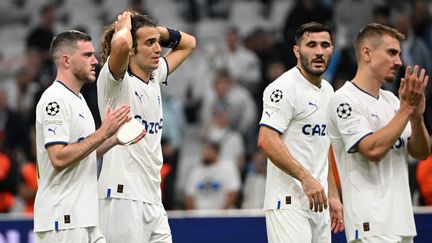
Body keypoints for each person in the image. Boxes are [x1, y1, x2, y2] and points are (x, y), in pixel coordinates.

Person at [97, 10, 196, 242]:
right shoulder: (115, 83)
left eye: (158, 42)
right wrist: (124, 28)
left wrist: (153, 31)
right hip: (122, 196)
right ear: (132, 49)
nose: (158, 48)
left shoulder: (154, 76)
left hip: (152, 196)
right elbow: (120, 45)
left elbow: (189, 43)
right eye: (150, 43)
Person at [34, 30, 141, 243]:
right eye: (87, 55)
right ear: (66, 60)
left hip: (85, 218)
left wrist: (112, 139)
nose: (95, 61)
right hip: (62, 220)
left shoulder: (79, 99)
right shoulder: (54, 100)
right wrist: (102, 133)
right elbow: (59, 158)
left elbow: (83, 155)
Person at [327, 23, 430, 242]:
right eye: (392, 53)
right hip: (370, 225)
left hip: (402, 223)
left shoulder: (393, 101)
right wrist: (406, 111)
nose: (399, 62)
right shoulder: (344, 100)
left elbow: (421, 152)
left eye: (399, 54)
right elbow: (371, 150)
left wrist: (417, 117)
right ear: (366, 53)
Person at [257, 22, 344, 243]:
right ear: (297, 51)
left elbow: (325, 147)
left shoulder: (328, 90)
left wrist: (332, 194)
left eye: (325, 45)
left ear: (332, 49)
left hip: (319, 202)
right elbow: (266, 140)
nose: (318, 51)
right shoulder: (283, 88)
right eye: (311, 45)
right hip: (288, 204)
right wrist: (306, 178)